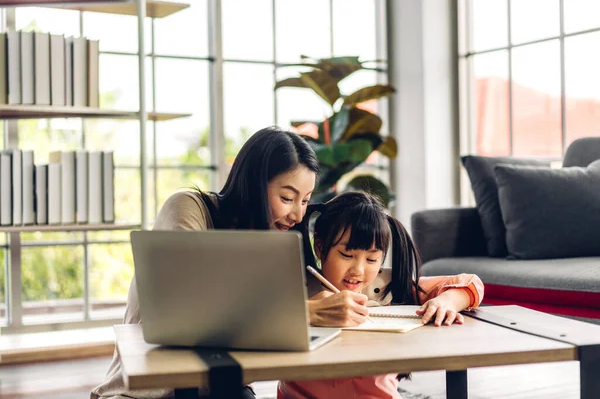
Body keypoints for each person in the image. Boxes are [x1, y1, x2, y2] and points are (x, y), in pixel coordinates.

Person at [91, 126, 372, 399]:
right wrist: (302, 313)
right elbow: (194, 309)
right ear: (252, 185)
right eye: (287, 198)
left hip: (227, 388)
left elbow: (341, 286)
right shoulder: (189, 209)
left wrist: (413, 288)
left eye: (305, 201)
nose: (298, 215)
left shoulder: (278, 242)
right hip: (146, 393)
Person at [278, 191, 485, 399]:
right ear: (320, 248)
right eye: (347, 255)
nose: (358, 270)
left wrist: (447, 301)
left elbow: (471, 283)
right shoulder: (298, 289)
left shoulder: (388, 287)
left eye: (371, 259)